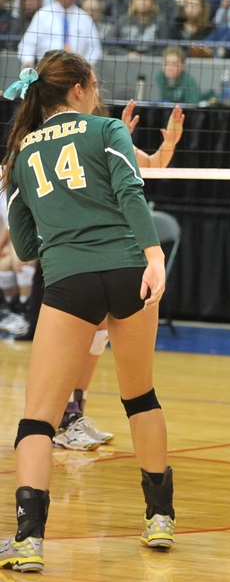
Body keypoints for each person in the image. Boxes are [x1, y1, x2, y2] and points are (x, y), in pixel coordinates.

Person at [0, 50, 174, 573]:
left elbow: (26, 246)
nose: (96, 93)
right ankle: (160, 518)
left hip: (70, 281)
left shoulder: (21, 151)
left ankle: (28, 541)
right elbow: (130, 192)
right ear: (77, 89)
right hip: (128, 270)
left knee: (38, 418)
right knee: (140, 396)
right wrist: (154, 255)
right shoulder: (105, 130)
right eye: (93, 85)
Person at [55, 99, 185, 452]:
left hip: (110, 255)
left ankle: (72, 417)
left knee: (97, 341)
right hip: (79, 255)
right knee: (79, 343)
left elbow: (155, 163)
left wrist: (169, 143)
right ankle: (59, 419)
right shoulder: (68, 143)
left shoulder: (111, 137)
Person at [18, 0, 102, 68]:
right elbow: (26, 44)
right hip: (47, 69)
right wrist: (28, 60)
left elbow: (95, 49)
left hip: (76, 70)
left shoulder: (85, 18)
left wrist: (85, 66)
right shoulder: (43, 14)